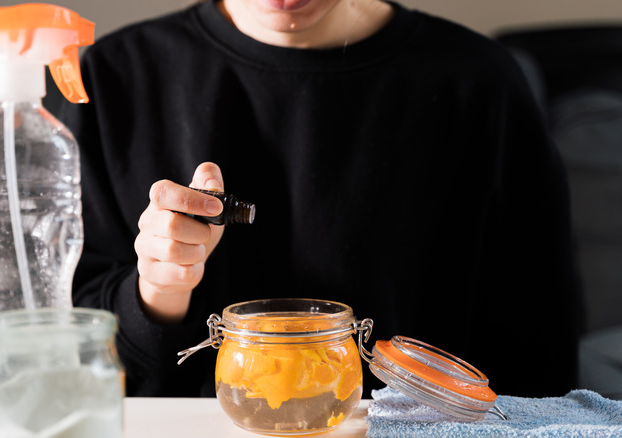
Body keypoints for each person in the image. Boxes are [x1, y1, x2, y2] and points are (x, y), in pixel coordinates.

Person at [58, 0, 581, 398]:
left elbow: (539, 345)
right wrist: (158, 289)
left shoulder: (480, 82)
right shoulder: (109, 78)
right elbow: (71, 350)